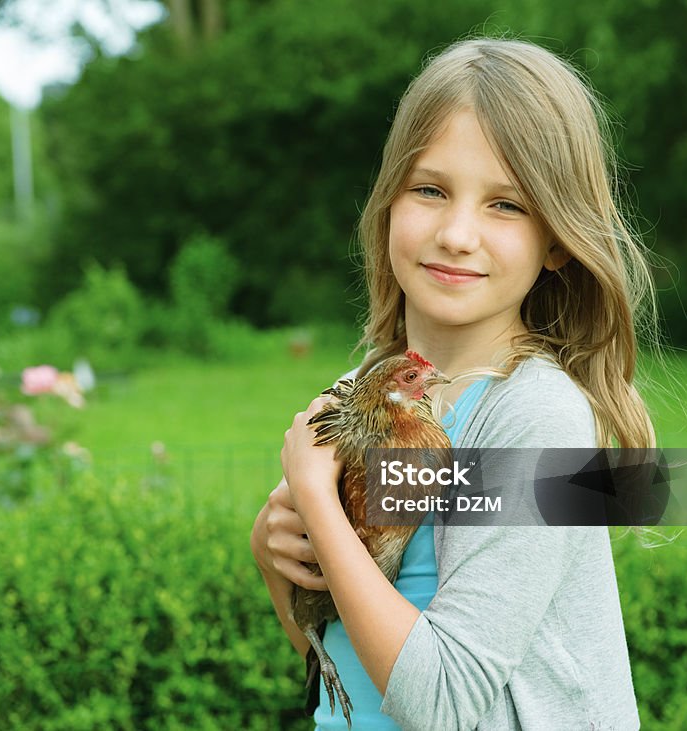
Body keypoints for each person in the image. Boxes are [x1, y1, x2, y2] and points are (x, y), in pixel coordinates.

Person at [250, 37, 660, 730]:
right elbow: (343, 657)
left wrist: (319, 503)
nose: (457, 232)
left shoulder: (535, 415)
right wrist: (275, 562)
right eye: (431, 190)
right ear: (388, 204)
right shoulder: (357, 394)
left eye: (506, 205)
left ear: (557, 239)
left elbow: (441, 702)